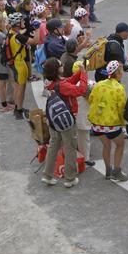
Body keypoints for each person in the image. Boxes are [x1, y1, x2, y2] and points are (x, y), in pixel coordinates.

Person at [40, 57, 87, 188]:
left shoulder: (50, 82)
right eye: (61, 65)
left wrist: (80, 72)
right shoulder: (62, 85)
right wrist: (83, 74)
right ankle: (70, 178)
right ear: (57, 69)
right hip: (66, 121)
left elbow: (68, 81)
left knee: (53, 146)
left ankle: (47, 175)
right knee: (70, 147)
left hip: (53, 119)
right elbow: (81, 90)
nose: (63, 65)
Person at [87, 61, 128, 182]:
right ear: (118, 73)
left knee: (106, 145)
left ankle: (108, 170)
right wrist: (123, 124)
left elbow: (90, 99)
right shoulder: (119, 89)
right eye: (121, 71)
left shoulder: (99, 84)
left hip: (96, 123)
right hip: (111, 125)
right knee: (120, 145)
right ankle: (116, 171)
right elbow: (121, 109)